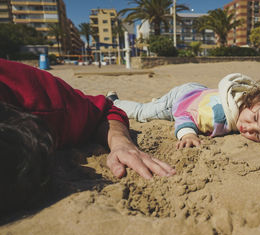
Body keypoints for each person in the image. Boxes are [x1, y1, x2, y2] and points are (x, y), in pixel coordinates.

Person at [0, 59, 175, 213]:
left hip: (141, 105)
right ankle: (115, 98)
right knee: (140, 110)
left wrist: (121, 142)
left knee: (142, 111)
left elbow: (106, 111)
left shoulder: (39, 104)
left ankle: (114, 98)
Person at [107, 73, 260, 149]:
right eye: (254, 118)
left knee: (153, 106)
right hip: (182, 99)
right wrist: (188, 133)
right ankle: (114, 102)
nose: (247, 128)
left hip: (198, 92)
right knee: (144, 112)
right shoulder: (217, 117)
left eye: (258, 134)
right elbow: (184, 112)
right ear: (258, 100)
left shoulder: (243, 96)